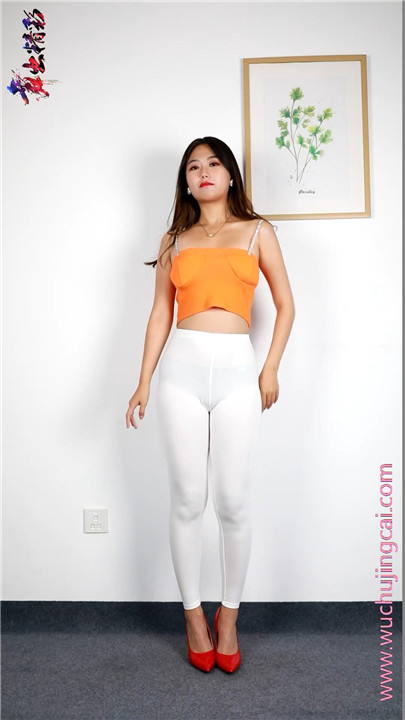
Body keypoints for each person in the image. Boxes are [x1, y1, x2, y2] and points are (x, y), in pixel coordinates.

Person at [125, 136, 295, 673]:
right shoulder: (174, 239)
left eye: (213, 163)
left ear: (230, 174)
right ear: (186, 180)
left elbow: (286, 305)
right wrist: (143, 381)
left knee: (233, 502)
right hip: (181, 372)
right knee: (187, 500)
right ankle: (194, 616)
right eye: (193, 166)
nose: (203, 172)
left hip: (240, 373)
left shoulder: (259, 232)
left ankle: (229, 617)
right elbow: (160, 313)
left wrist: (270, 367)